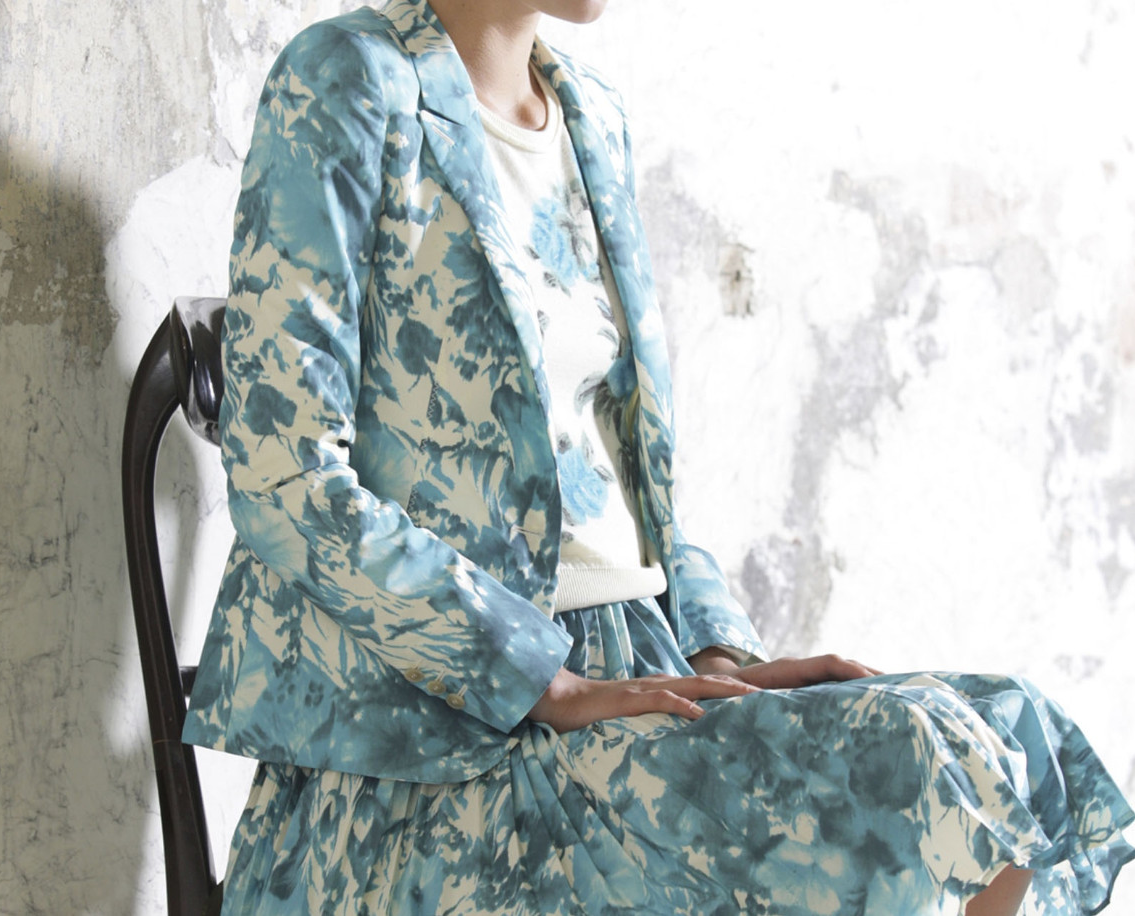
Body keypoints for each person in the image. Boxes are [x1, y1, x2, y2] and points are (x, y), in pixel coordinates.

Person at [181, 0, 1135, 913]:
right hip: (446, 743)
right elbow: (283, 473)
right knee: (914, 761)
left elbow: (630, 469)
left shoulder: (591, 116)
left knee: (1015, 733)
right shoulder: (347, 79)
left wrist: (718, 657)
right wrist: (542, 682)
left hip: (637, 667)